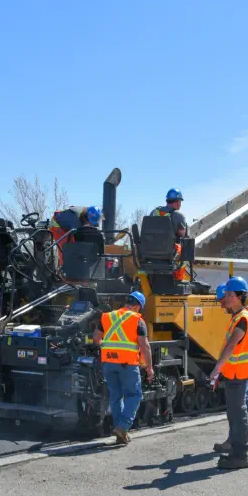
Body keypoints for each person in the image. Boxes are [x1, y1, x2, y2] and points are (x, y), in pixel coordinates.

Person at [210, 276, 248, 470]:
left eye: (230, 295)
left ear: (240, 296)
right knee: (235, 413)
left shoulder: (243, 319)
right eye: (227, 294)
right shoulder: (237, 317)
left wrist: (217, 368)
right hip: (234, 373)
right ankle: (236, 453)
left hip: (239, 373)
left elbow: (231, 346)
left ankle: (240, 456)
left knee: (238, 414)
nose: (227, 298)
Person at [93, 291, 153, 445]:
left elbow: (96, 339)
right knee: (134, 395)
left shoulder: (107, 316)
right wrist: (149, 367)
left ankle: (120, 432)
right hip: (128, 365)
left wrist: (108, 348)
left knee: (116, 396)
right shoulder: (137, 320)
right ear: (138, 306)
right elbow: (144, 346)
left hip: (108, 364)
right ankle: (123, 426)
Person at [150, 189, 189, 281]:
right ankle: (178, 279)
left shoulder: (154, 212)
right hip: (167, 251)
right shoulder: (178, 216)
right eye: (180, 202)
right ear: (178, 202)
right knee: (183, 250)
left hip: (149, 251)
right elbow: (183, 234)